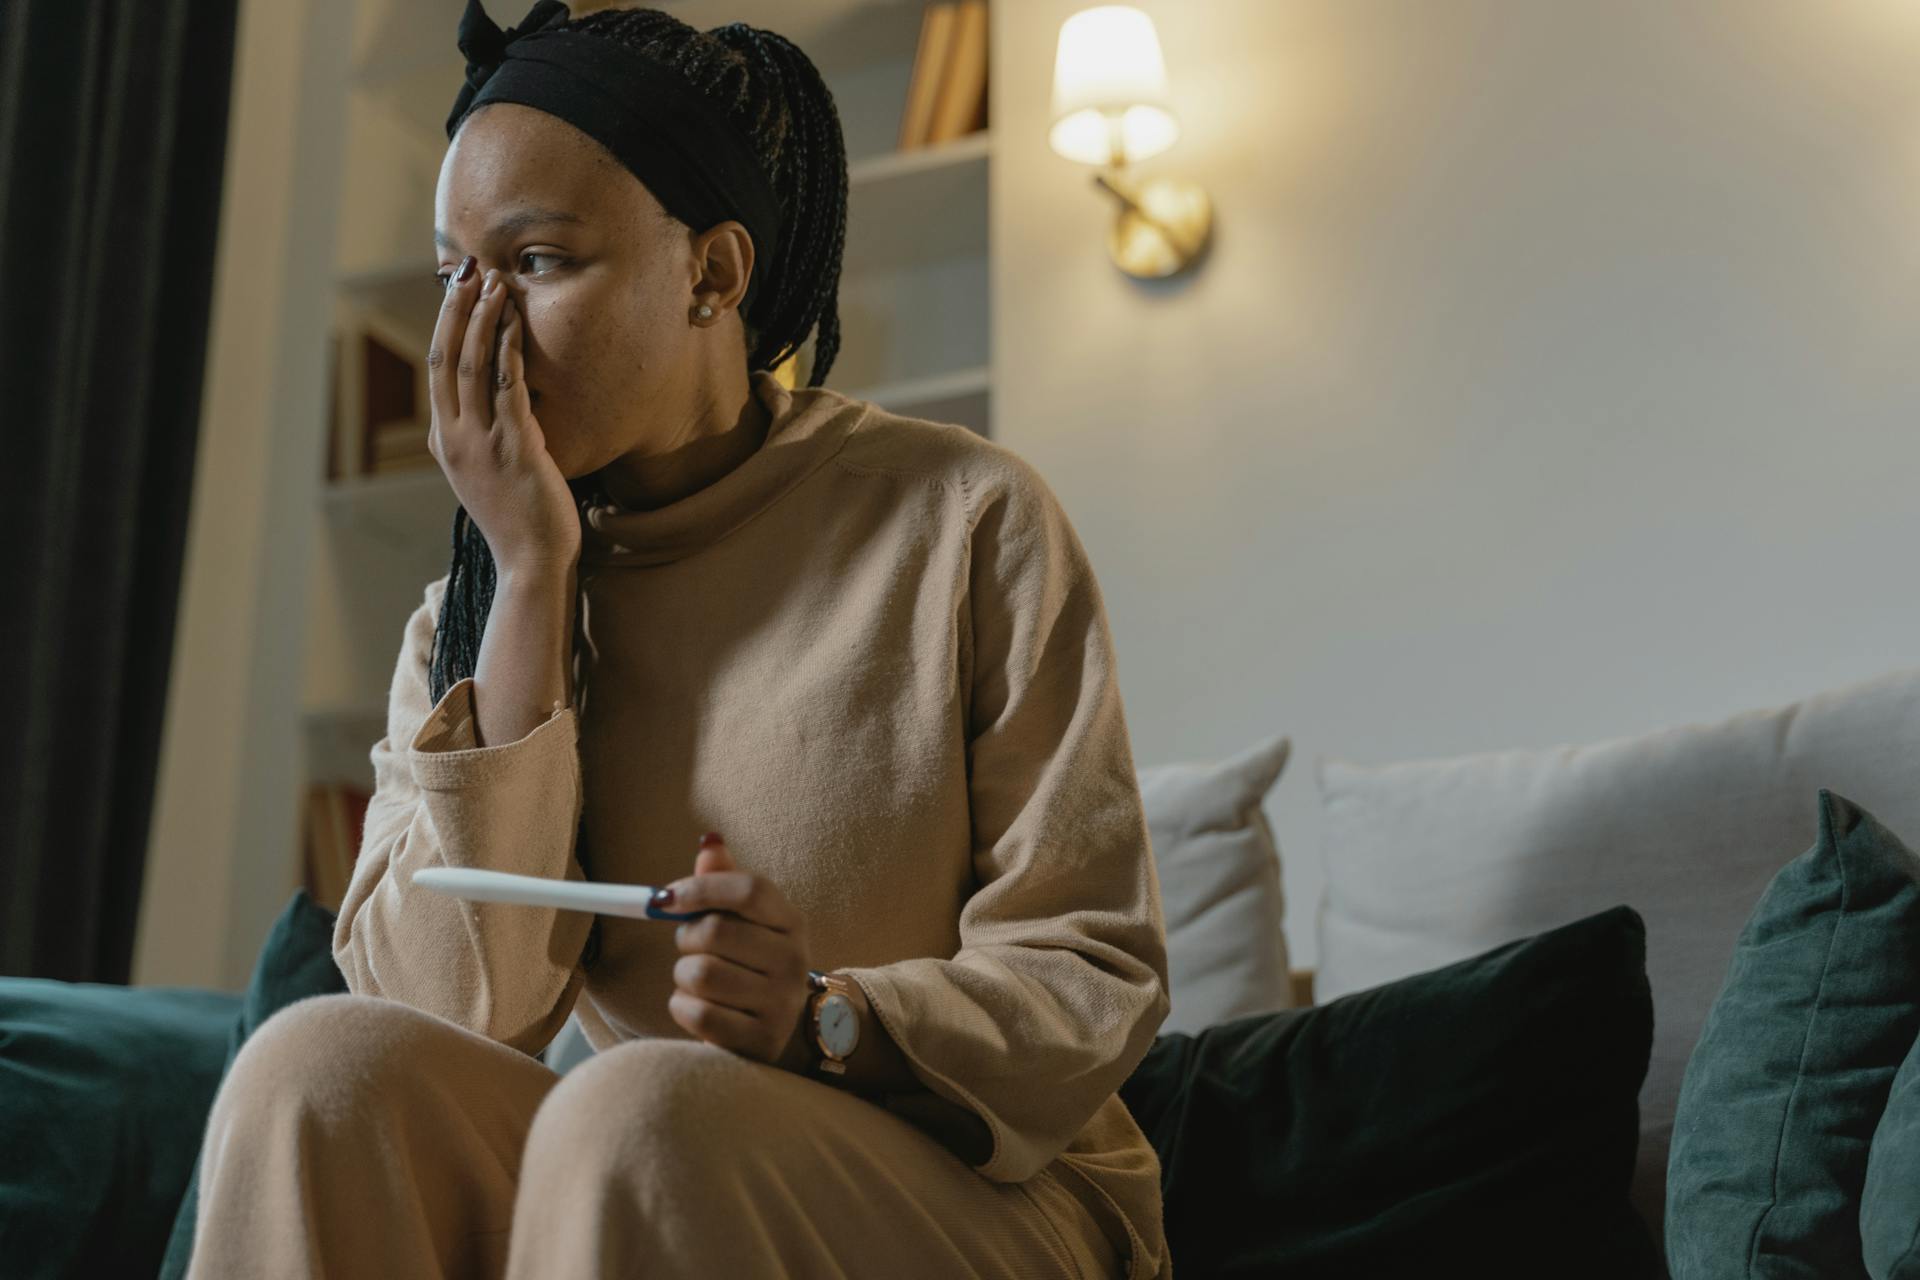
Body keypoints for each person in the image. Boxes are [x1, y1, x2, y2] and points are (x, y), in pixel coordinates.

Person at [184, 3, 1172, 1277]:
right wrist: (534, 575)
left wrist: (830, 1018)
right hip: (659, 1159)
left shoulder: (964, 517)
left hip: (996, 1200)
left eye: (534, 262)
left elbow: (1091, 969)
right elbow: (453, 1014)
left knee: (635, 1104)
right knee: (313, 1067)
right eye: (451, 277)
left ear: (712, 273)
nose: (471, 333)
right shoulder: (474, 612)